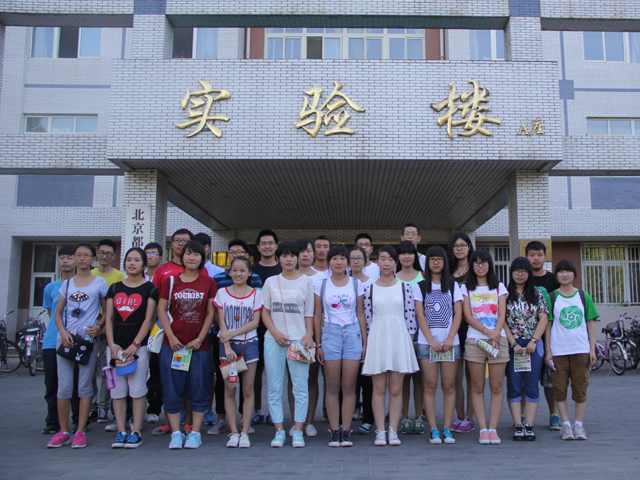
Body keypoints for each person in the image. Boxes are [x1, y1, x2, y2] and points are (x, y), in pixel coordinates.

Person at [47, 242, 108, 449]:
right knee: (64, 387)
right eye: (78, 255)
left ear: (93, 259)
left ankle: (80, 431)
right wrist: (63, 333)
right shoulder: (67, 284)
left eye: (86, 255)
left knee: (84, 386)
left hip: (87, 341)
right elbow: (58, 313)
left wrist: (99, 327)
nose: (82, 259)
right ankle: (63, 432)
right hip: (66, 339)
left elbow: (107, 311)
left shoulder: (100, 283)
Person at [157, 240, 217, 449]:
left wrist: (200, 338)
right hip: (172, 346)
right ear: (182, 257)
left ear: (203, 258)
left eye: (196, 254)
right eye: (188, 253)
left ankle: (195, 433)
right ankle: (176, 433)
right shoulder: (171, 281)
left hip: (199, 347)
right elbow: (161, 309)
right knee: (172, 389)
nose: (192, 257)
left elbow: (210, 313)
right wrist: (171, 337)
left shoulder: (208, 282)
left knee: (199, 389)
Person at [362, 245, 418, 447]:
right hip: (377, 338)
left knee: (395, 389)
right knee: (378, 388)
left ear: (396, 262)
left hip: (399, 338)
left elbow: (410, 318)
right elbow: (367, 319)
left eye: (390, 259)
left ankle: (393, 430)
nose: (386, 263)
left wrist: (408, 343)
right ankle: (380, 431)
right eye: (382, 258)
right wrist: (367, 344)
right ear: (377, 262)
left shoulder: (405, 287)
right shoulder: (369, 288)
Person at [262, 241, 314, 448]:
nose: (289, 259)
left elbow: (309, 312)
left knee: (300, 387)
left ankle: (298, 431)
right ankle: (279, 431)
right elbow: (265, 312)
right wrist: (275, 333)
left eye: (292, 255)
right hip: (273, 340)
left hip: (299, 342)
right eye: (284, 255)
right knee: (274, 387)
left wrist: (309, 334)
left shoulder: (306, 282)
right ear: (278, 258)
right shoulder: (270, 282)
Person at [105, 247, 158, 449]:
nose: (132, 263)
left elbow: (149, 319)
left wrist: (135, 344)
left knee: (137, 390)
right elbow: (109, 318)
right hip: (115, 348)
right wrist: (111, 344)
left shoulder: (150, 289)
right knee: (117, 392)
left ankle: (136, 431)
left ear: (144, 264)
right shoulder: (115, 288)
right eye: (128, 259)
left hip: (138, 348)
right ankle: (121, 431)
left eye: (136, 260)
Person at [315, 245, 367, 447]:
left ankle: (346, 430)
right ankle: (334, 430)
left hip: (352, 334)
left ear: (348, 262)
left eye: (342, 258)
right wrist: (318, 344)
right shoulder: (321, 284)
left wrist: (364, 342)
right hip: (330, 334)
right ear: (329, 262)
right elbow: (317, 316)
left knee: (349, 386)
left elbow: (360, 314)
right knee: (333, 386)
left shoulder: (356, 283)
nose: (339, 262)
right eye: (334, 258)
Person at [209, 238, 262, 436]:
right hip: (227, 347)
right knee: (230, 389)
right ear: (229, 272)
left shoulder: (256, 294)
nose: (238, 274)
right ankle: (233, 432)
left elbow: (255, 322)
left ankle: (245, 431)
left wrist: (232, 333)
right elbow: (221, 321)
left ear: (249, 273)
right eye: (235, 270)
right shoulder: (222, 293)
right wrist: (227, 345)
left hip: (249, 346)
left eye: (242, 270)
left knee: (248, 390)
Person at [545, 259, 599, 441]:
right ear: (556, 275)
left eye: (568, 271)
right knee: (559, 388)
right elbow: (548, 325)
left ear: (574, 274)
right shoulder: (552, 297)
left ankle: (579, 425)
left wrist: (592, 349)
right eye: (561, 271)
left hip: (581, 349)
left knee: (580, 388)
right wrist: (548, 351)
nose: (565, 274)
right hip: (558, 351)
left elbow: (590, 323)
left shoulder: (583, 296)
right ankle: (566, 424)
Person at [414, 246, 463, 445]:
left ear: (444, 262)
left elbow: (458, 313)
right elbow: (420, 315)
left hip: (451, 344)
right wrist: (432, 340)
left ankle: (447, 428)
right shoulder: (420, 286)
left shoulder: (453, 285)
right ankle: (434, 429)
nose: (435, 262)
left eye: (439, 259)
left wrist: (450, 337)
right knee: (430, 385)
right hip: (427, 344)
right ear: (427, 263)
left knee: (449, 386)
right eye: (432, 259)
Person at [461, 249, 509, 445]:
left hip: (498, 340)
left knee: (496, 386)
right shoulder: (466, 288)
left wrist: (496, 335)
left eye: (484, 262)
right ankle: (482, 429)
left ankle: (493, 429)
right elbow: (468, 316)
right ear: (471, 265)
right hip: (475, 341)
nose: (480, 266)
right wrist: (488, 333)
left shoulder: (499, 287)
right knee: (477, 385)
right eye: (476, 263)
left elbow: (502, 314)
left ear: (490, 265)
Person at [150, 228, 193, 436]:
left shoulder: (198, 270)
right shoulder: (163, 270)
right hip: (167, 334)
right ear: (172, 244)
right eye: (177, 240)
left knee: (189, 382)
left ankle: (189, 423)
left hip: (191, 335)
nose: (181, 244)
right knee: (167, 380)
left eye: (185, 241)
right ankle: (168, 422)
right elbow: (157, 303)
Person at [504, 257, 549, 441]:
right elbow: (502, 321)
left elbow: (543, 318)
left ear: (529, 273)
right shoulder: (505, 294)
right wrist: (513, 343)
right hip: (513, 346)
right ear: (511, 273)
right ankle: (518, 424)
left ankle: (529, 425)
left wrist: (534, 340)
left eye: (523, 271)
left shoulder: (538, 294)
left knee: (531, 386)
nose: (520, 274)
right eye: (516, 270)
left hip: (533, 345)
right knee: (514, 385)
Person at [289, 238, 324, 437]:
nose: (305, 255)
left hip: (312, 336)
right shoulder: (287, 276)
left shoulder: (322, 277)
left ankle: (309, 421)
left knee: (310, 378)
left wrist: (315, 338)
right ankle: (296, 421)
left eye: (308, 251)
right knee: (293, 380)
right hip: (291, 336)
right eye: (300, 251)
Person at [42, 245, 78, 435]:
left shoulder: (81, 285)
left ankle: (78, 420)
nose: (65, 261)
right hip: (51, 342)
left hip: (75, 340)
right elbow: (52, 314)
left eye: (69, 257)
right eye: (62, 257)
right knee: (52, 383)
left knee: (76, 383)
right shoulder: (50, 287)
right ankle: (53, 421)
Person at [526, 241, 562, 431]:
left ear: (545, 257)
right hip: (525, 338)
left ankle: (554, 414)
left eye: (539, 254)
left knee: (550, 380)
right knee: (524, 379)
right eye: (532, 255)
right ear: (526, 257)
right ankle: (522, 415)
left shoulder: (553, 280)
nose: (536, 258)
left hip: (550, 337)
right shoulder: (522, 278)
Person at [247, 230, 280, 427]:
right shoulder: (251, 270)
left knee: (277, 374)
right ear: (258, 247)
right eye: (263, 243)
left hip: (280, 329)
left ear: (276, 246)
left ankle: (274, 412)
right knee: (256, 372)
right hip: (256, 327)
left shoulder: (283, 269)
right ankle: (257, 410)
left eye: (271, 243)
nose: (267, 246)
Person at [91, 239, 126, 425]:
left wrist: (107, 326)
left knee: (106, 370)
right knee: (89, 370)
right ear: (97, 254)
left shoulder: (119, 276)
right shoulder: (90, 274)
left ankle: (103, 407)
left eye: (108, 253)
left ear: (114, 256)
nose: (104, 256)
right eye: (101, 253)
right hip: (89, 329)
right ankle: (91, 406)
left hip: (109, 329)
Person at [395, 240, 425, 435]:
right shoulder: (392, 279)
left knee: (420, 378)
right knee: (403, 379)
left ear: (415, 256)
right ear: (398, 257)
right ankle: (404, 417)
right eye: (403, 253)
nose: (407, 256)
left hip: (422, 334)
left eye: (410, 253)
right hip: (399, 333)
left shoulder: (424, 277)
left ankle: (419, 417)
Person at [448, 232, 475, 434]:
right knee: (455, 377)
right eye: (456, 246)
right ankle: (459, 416)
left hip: (474, 327)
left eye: (462, 245)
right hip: (452, 327)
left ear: (469, 247)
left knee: (472, 377)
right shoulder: (447, 272)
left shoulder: (476, 269)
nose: (459, 249)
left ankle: (470, 418)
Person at [349, 246, 376, 435]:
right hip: (348, 336)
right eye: (352, 258)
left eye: (359, 258)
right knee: (349, 380)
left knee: (368, 380)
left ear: (365, 260)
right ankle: (347, 415)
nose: (356, 261)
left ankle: (368, 418)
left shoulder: (372, 284)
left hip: (370, 335)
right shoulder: (342, 282)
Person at [143, 242, 163, 425]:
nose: (150, 257)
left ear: (160, 258)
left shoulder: (163, 277)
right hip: (138, 330)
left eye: (153, 253)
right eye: (147, 253)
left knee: (155, 370)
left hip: (158, 330)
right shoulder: (136, 277)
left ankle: (154, 408)